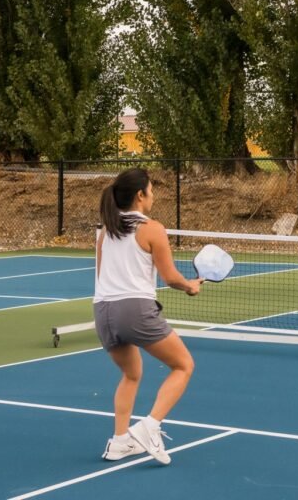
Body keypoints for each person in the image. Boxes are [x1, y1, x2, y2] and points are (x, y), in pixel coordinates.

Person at [94, 168, 202, 465]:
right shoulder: (152, 228)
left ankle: (119, 442)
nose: (153, 196)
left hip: (102, 312)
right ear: (140, 195)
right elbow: (169, 278)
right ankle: (149, 427)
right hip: (134, 310)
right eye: (151, 190)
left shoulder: (107, 232)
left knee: (131, 374)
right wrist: (190, 286)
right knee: (183, 365)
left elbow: (102, 275)